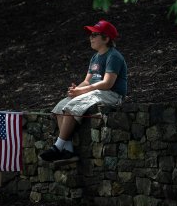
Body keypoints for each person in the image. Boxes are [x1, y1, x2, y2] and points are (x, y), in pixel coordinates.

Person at [39, 19, 128, 163]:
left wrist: (82, 92)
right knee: (61, 106)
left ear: (106, 38)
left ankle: (57, 147)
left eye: (95, 35)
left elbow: (107, 83)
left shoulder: (114, 56)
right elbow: (87, 81)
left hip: (112, 94)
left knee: (73, 106)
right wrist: (76, 90)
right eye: (91, 35)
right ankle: (68, 151)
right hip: (96, 91)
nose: (90, 38)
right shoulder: (95, 57)